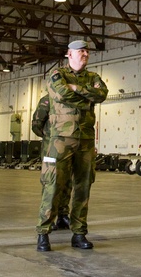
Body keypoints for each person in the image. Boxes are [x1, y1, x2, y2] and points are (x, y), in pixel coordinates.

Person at [36, 39, 108, 252]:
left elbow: (102, 94)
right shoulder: (57, 75)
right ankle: (43, 233)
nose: (84, 54)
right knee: (53, 186)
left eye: (86, 51)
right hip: (60, 140)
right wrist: (87, 98)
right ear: (69, 54)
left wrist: (76, 87)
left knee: (83, 187)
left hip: (85, 140)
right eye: (80, 51)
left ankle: (79, 233)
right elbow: (61, 94)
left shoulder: (93, 77)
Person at [32, 92, 72, 230]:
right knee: (50, 182)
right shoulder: (47, 100)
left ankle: (63, 215)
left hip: (67, 148)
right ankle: (48, 218)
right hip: (51, 148)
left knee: (67, 181)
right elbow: (36, 124)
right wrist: (50, 137)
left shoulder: (70, 98)